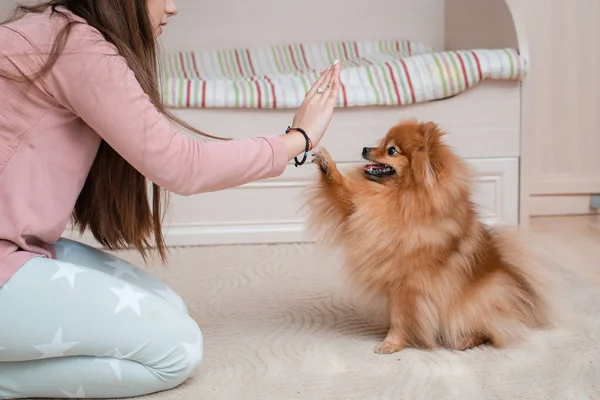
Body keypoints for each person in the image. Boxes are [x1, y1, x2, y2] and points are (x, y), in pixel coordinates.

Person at [0, 0, 341, 398]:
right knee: (176, 351)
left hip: (20, 249)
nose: (174, 7)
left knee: (168, 306)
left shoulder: (57, 32)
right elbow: (183, 165)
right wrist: (298, 139)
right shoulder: (75, 48)